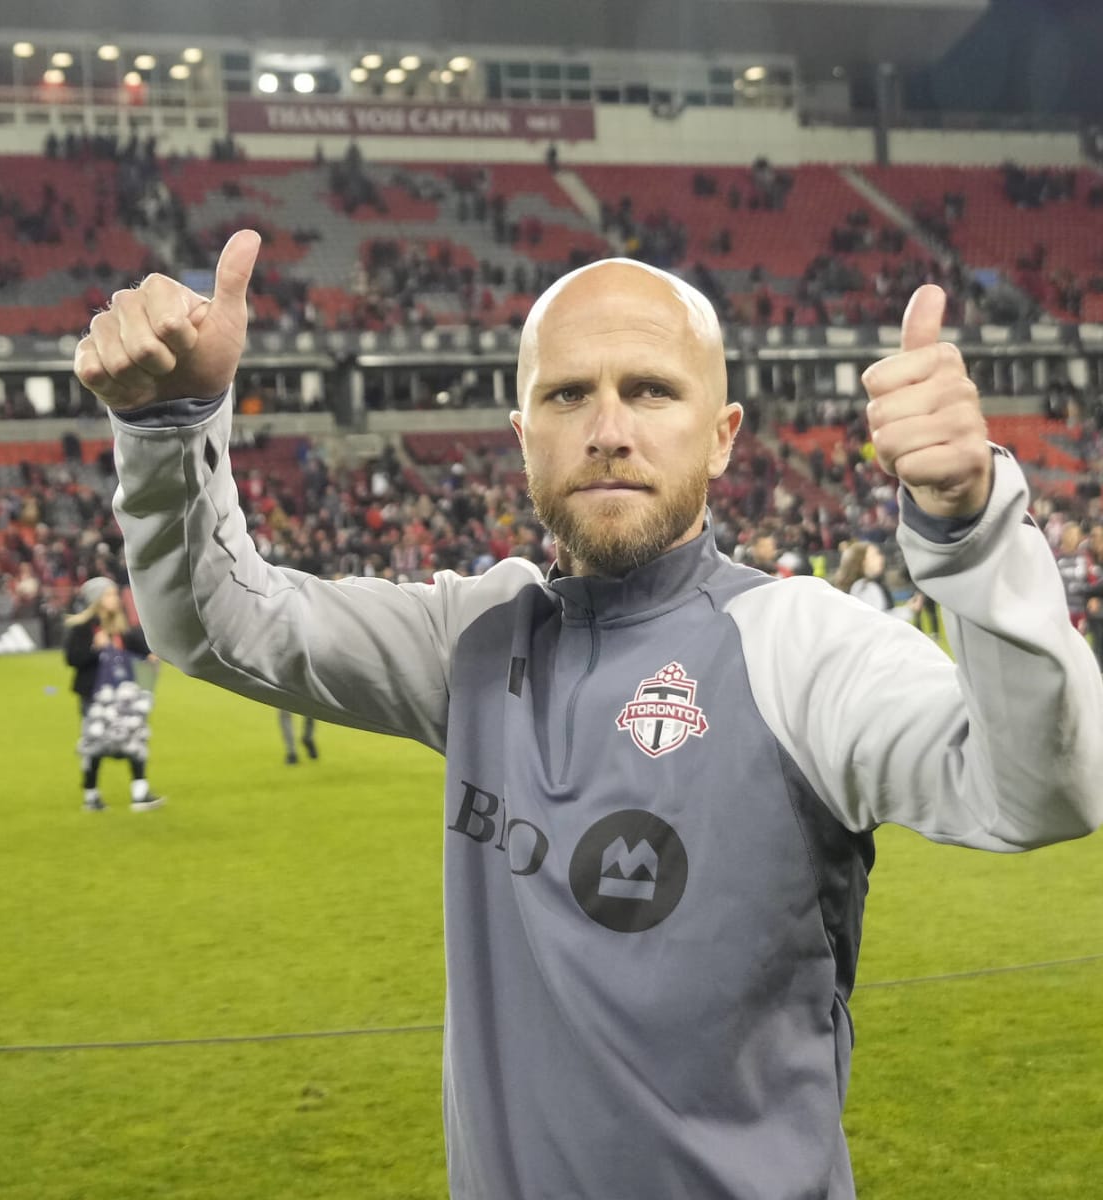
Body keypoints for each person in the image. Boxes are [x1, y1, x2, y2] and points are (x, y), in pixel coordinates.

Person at [74, 230, 1103, 1199]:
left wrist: (969, 530)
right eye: (569, 395)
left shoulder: (801, 644)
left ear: (723, 436)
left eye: (650, 390)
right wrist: (168, 431)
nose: (608, 431)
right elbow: (219, 625)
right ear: (525, 437)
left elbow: (1040, 792)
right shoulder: (472, 637)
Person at [64, 576, 165, 812]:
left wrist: (150, 657)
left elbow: (140, 649)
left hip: (124, 696)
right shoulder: (83, 628)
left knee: (135, 737)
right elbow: (72, 660)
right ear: (96, 600)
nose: (115, 599)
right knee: (95, 743)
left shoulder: (121, 628)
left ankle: (140, 793)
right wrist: (94, 649)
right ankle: (92, 795)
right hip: (94, 696)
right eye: (109, 595)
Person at [831, 539, 894, 611]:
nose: (881, 558)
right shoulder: (865, 587)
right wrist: (907, 610)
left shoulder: (865, 585)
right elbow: (877, 619)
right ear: (862, 562)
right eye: (875, 555)